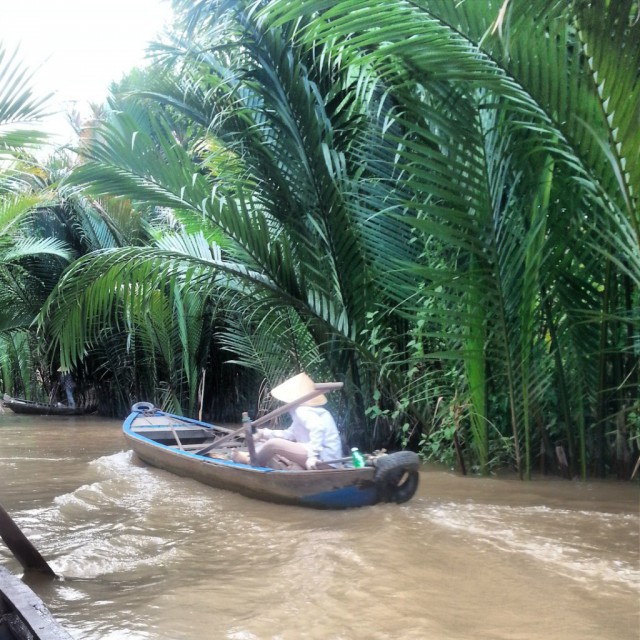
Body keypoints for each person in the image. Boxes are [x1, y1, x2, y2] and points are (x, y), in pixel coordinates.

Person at [233, 372, 343, 469]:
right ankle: (253, 456)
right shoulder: (308, 411)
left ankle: (249, 461)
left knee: (273, 444)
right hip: (325, 459)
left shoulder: (303, 410)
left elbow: (318, 428)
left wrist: (312, 456)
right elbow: (290, 434)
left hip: (323, 460)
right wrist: (263, 433)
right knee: (265, 442)